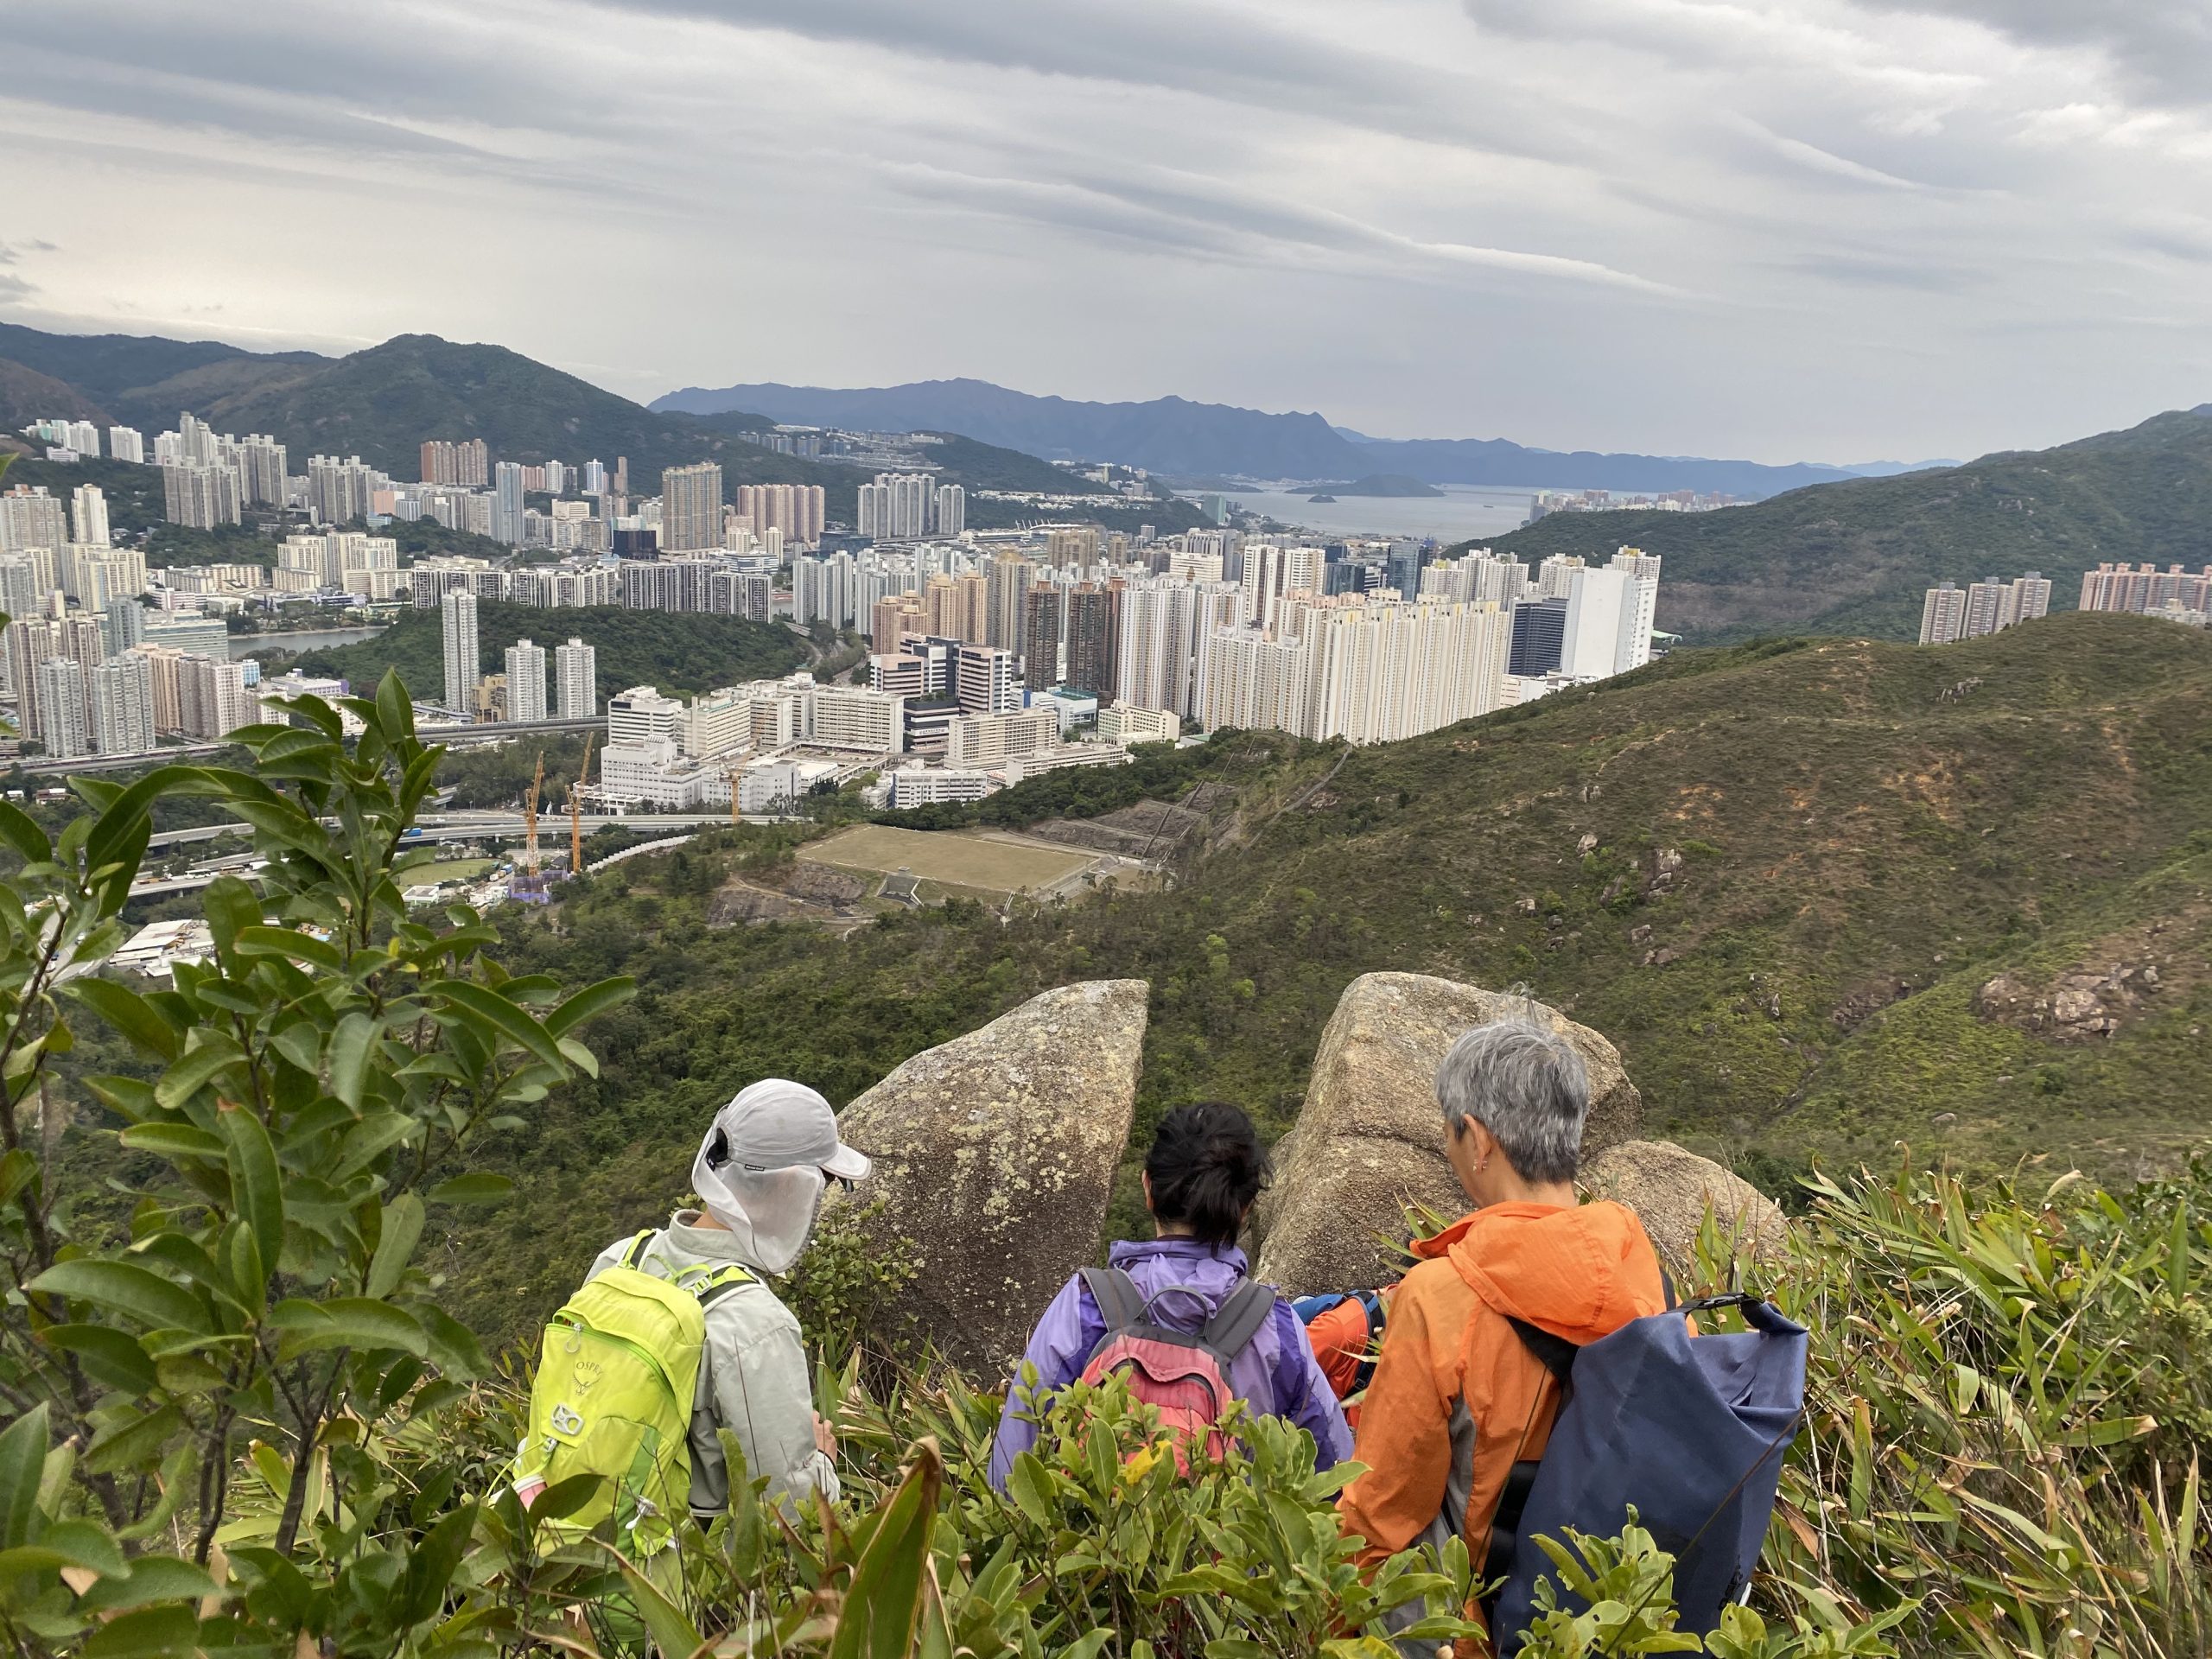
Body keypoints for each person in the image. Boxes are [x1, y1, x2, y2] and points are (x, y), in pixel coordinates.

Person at [1337, 1021, 1670, 1617]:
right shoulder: (1645, 1274)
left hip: (1477, 1630)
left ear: (1480, 1139)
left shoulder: (1440, 1297)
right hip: (1623, 1618)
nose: (1448, 1148)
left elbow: (1380, 1516)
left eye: (1451, 1130)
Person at [987, 1101, 1352, 1489]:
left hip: (1093, 1526)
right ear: (1245, 1209)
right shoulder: (1276, 1327)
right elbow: (1331, 1471)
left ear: (1148, 1188)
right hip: (1229, 1529)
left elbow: (1017, 1459)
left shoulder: (1086, 1303)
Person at [574, 1078, 869, 1519]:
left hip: (567, 1518)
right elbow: (788, 1509)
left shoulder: (619, 1259)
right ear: (792, 1186)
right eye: (825, 1182)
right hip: (678, 1554)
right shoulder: (754, 1323)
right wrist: (822, 1464)